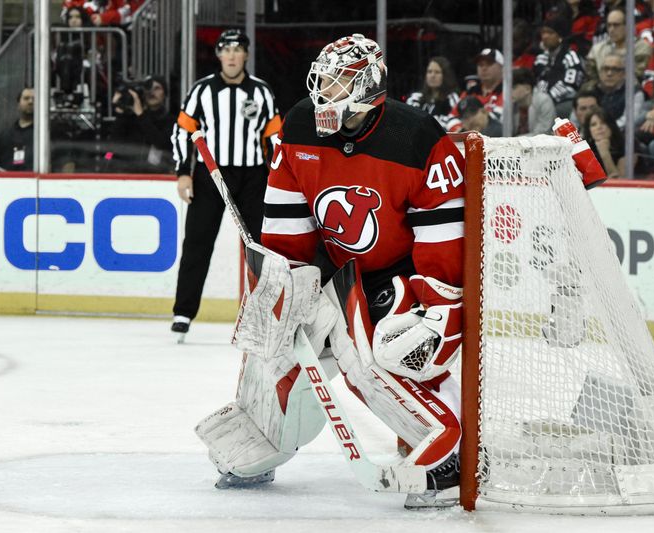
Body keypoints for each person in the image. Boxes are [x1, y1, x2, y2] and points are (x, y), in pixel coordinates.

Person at [197, 33, 465, 507]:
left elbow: (443, 239)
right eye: (323, 79)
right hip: (333, 270)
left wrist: (439, 306)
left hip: (398, 275)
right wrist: (285, 285)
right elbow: (286, 229)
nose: (324, 91)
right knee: (278, 345)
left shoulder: (419, 138)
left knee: (368, 355)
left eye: (338, 83)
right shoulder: (300, 124)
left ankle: (445, 451)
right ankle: (263, 438)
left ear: (367, 87)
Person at [170, 29, 281, 336]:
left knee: (260, 246)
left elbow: (274, 137)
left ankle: (265, 313)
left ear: (246, 55)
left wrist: (278, 177)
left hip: (253, 177)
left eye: (237, 49)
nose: (231, 55)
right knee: (197, 242)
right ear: (218, 55)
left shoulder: (261, 91)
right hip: (210, 177)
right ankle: (183, 312)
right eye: (225, 49)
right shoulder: (202, 90)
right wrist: (182, 171)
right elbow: (182, 130)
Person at [108, 75, 175, 173]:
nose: (152, 92)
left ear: (165, 94)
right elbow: (113, 145)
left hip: (157, 176)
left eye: (157, 88)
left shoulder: (171, 121)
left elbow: (161, 143)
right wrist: (120, 112)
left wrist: (140, 114)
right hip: (128, 175)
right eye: (148, 88)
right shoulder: (132, 119)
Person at [585, 7, 652, 87]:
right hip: (602, 93)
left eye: (616, 25)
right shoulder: (597, 49)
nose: (611, 30)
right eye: (609, 25)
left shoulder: (641, 47)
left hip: (630, 92)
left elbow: (637, 75)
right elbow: (590, 77)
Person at [533, 16, 586, 119]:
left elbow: (571, 85)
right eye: (543, 32)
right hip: (542, 103)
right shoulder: (540, 58)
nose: (545, 36)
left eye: (550, 33)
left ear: (560, 36)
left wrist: (547, 100)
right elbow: (536, 82)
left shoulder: (571, 56)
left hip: (564, 102)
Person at [445, 48, 503, 132]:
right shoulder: (469, 92)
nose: (484, 68)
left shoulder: (508, 91)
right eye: (480, 64)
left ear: (501, 67)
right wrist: (461, 130)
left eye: (489, 64)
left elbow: (501, 117)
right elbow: (451, 117)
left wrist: (468, 123)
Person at [590, 53, 646, 131]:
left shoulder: (634, 93)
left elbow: (629, 121)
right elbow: (574, 121)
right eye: (606, 69)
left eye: (615, 69)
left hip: (619, 137)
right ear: (600, 72)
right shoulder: (590, 91)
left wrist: (603, 130)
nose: (609, 73)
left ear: (624, 73)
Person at [405, 56, 460, 130]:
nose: (432, 75)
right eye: (429, 71)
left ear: (445, 76)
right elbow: (409, 120)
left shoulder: (452, 98)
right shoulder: (415, 97)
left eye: (437, 72)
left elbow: (454, 122)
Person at [0, 87, 34, 171]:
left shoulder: (46, 134)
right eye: (26, 98)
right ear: (18, 104)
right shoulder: (5, 135)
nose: (30, 102)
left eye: (34, 99)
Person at [511, 68, 557, 136]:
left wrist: (514, 141)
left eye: (513, 88)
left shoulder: (544, 101)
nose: (508, 92)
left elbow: (542, 133)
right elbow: (504, 130)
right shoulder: (510, 104)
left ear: (527, 89)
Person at [585, 106, 628, 178]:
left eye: (603, 123)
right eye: (593, 125)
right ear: (589, 131)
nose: (599, 127)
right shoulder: (585, 151)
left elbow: (618, 183)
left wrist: (605, 153)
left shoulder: (627, 145)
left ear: (611, 125)